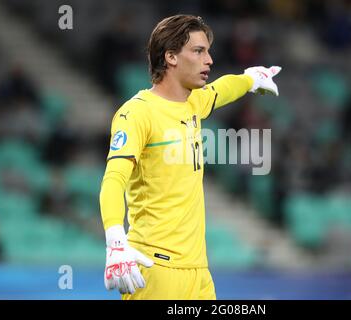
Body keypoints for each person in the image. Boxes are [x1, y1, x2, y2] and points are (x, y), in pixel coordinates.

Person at [99, 14, 281, 300]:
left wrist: (249, 79)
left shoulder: (192, 102)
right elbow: (114, 178)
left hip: (199, 274)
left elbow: (221, 90)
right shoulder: (136, 113)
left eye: (208, 51)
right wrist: (115, 241)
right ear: (170, 57)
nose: (209, 60)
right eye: (198, 51)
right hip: (156, 270)